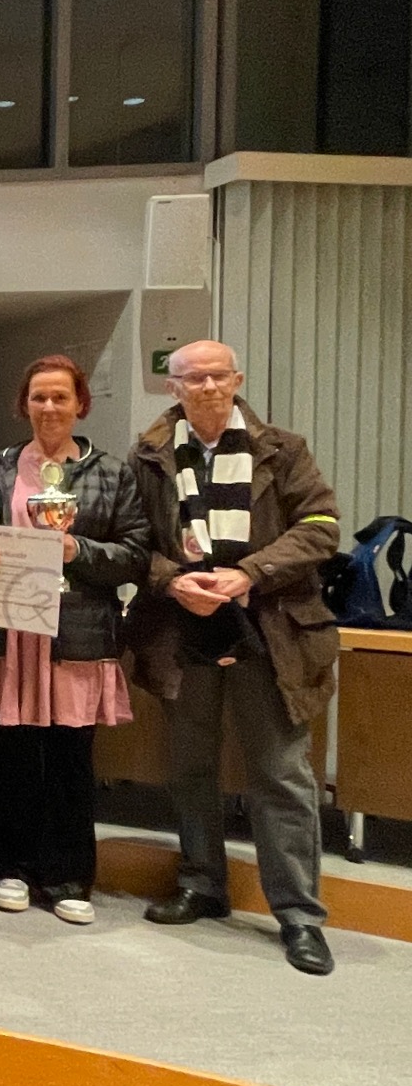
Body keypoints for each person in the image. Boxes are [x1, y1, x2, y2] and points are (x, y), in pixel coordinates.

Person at [127, 339, 341, 975]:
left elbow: (323, 526)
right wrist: (171, 580)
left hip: (269, 632)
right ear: (175, 388)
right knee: (191, 768)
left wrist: (249, 572)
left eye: (218, 376)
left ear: (237, 379)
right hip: (184, 633)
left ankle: (300, 916)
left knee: (281, 775)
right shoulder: (150, 456)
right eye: (193, 379)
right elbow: (134, 537)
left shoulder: (285, 449)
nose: (207, 387)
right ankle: (201, 884)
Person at [0, 355, 149, 924]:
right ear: (24, 404)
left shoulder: (112, 473)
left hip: (75, 634)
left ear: (80, 404)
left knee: (71, 759)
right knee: (13, 756)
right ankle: (10, 869)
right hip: (12, 632)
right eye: (38, 398)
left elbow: (137, 555)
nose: (49, 408)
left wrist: (79, 551)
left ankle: (70, 875)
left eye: (60, 398)